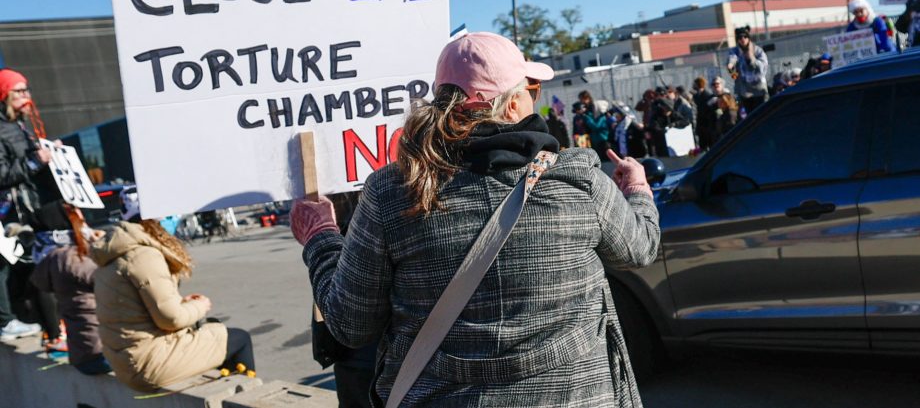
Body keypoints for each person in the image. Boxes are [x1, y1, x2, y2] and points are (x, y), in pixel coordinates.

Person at [291, 32, 660, 407]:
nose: (535, 97)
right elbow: (640, 249)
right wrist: (638, 189)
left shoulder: (391, 192)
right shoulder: (578, 180)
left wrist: (321, 236)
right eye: (532, 87)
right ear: (513, 104)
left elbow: (350, 323)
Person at [91, 190, 255, 391]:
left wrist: (182, 303)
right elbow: (170, 319)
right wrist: (200, 305)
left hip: (127, 361)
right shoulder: (143, 255)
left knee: (214, 332)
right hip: (148, 364)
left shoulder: (114, 253)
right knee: (238, 339)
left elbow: (138, 311)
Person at [0, 68, 69, 344]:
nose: (26, 95)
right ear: (4, 94)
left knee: (30, 263)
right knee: (8, 264)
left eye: (27, 89)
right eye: (19, 90)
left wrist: (52, 155)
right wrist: (33, 161)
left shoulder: (19, 126)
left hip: (27, 207)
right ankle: (7, 322)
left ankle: (38, 320)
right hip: (8, 212)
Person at [30, 205, 111, 374]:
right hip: (101, 352)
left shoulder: (54, 258)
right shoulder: (84, 259)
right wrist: (103, 244)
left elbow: (38, 283)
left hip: (79, 355)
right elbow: (115, 284)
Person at [726, 26, 769, 114]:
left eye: (745, 37)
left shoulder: (757, 50)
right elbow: (733, 58)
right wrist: (730, 65)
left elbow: (763, 66)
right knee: (749, 117)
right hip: (744, 92)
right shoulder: (735, 51)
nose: (743, 39)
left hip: (759, 91)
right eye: (740, 37)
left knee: (762, 114)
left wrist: (751, 60)